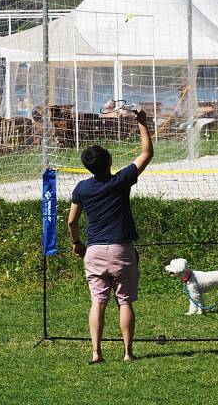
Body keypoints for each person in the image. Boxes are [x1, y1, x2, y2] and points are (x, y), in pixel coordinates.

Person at [67, 109, 153, 363]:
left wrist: (77, 243)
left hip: (93, 250)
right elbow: (146, 153)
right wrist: (142, 124)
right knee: (124, 301)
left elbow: (72, 221)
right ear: (109, 162)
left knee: (98, 301)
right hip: (120, 248)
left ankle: (96, 352)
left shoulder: (81, 187)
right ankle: (127, 353)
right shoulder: (121, 181)